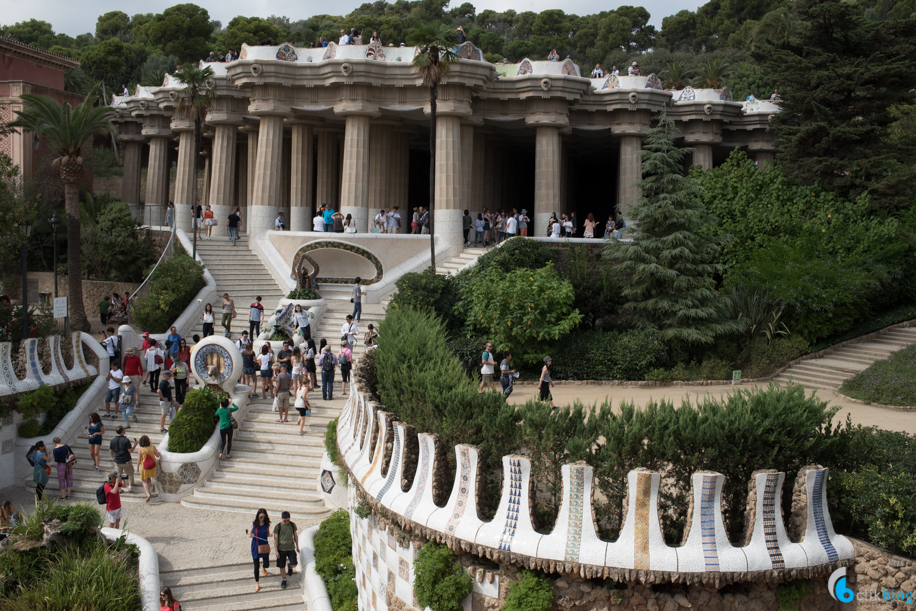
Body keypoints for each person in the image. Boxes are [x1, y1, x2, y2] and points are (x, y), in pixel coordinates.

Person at [274, 511, 299, 589]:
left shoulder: (292, 525)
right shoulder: (278, 526)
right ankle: (284, 579)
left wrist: (297, 546)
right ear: (281, 518)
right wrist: (276, 551)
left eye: (288, 520)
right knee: (281, 566)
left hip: (291, 547)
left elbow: (295, 536)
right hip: (281, 549)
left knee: (294, 563)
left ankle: (290, 566)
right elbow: (275, 539)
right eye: (285, 521)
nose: (286, 522)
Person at [110, 426, 138, 492]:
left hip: (117, 460)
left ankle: (119, 488)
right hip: (126, 460)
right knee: (130, 473)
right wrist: (135, 445)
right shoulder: (126, 440)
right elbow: (130, 451)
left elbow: (110, 451)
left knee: (118, 475)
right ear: (122, 431)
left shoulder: (113, 440)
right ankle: (130, 486)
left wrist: (113, 457)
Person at [250, 509, 272, 593]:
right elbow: (249, 534)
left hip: (264, 545)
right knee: (256, 566)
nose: (262, 518)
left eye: (263, 516)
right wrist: (251, 535)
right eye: (260, 517)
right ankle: (257, 583)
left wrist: (269, 535)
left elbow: (267, 533)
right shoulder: (253, 524)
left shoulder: (266, 524)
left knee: (267, 563)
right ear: (258, 516)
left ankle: (263, 567)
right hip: (256, 545)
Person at [136, 435, 161, 503]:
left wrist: (137, 467)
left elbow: (138, 460)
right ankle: (149, 492)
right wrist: (158, 452)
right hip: (152, 466)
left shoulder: (140, 449)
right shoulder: (152, 447)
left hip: (145, 466)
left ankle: (147, 494)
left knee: (144, 481)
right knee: (149, 479)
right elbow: (158, 455)